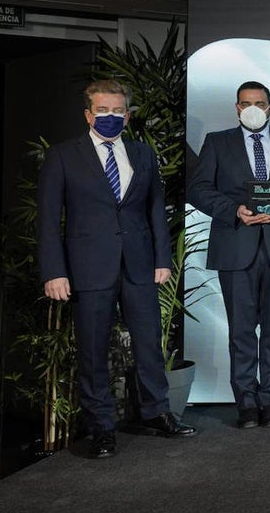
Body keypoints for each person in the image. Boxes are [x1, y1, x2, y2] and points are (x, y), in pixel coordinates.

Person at [37, 79, 196, 458]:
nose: (111, 116)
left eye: (118, 110)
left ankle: (158, 413)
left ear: (128, 115)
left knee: (149, 343)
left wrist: (162, 259)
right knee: (93, 350)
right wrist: (53, 271)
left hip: (140, 265)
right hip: (88, 267)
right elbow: (47, 220)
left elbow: (155, 209)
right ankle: (102, 427)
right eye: (103, 110)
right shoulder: (63, 156)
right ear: (88, 114)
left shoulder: (142, 154)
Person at [187, 80, 270, 429]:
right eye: (245, 103)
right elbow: (198, 189)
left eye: (259, 102)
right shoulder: (217, 142)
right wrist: (234, 209)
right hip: (235, 245)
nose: (252, 108)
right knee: (241, 330)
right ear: (237, 107)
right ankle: (245, 402)